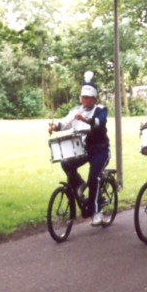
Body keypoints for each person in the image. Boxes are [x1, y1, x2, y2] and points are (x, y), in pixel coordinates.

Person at [48, 71, 110, 226]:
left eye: (88, 98)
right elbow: (65, 123)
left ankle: (97, 212)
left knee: (94, 177)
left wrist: (85, 119)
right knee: (65, 163)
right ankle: (80, 184)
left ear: (94, 99)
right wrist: (55, 126)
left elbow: (98, 123)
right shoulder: (76, 110)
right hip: (83, 150)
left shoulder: (101, 109)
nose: (85, 100)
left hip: (100, 150)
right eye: (83, 97)